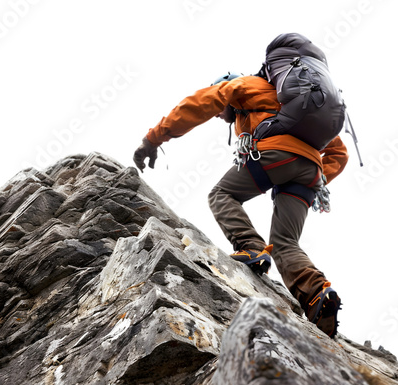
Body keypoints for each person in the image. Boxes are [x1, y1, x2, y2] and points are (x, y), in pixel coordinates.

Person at [134, 71, 348, 338]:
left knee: (221, 194)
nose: (217, 116)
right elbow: (339, 150)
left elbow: (199, 103)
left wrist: (153, 139)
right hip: (310, 171)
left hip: (275, 154)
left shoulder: (243, 85)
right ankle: (317, 295)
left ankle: (252, 248)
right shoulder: (291, 103)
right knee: (285, 243)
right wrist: (314, 176)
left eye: (220, 112)